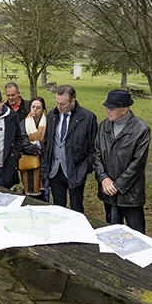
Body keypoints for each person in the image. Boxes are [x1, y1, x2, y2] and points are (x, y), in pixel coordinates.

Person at [93, 89, 151, 233]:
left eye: (111, 108)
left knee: (136, 234)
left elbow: (138, 163)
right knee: (111, 232)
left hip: (130, 195)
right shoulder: (104, 126)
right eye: (106, 107)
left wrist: (117, 186)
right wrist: (103, 178)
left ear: (124, 109)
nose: (107, 111)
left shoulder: (141, 129)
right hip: (107, 191)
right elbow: (96, 153)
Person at [41, 85, 98, 213]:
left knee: (76, 209)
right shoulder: (52, 115)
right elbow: (47, 142)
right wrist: (46, 167)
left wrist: (86, 168)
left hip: (76, 172)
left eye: (63, 104)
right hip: (55, 172)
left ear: (73, 101)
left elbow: (93, 148)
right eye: (57, 103)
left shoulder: (88, 118)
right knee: (58, 209)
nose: (59, 107)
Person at [19, 96, 47, 199]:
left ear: (43, 109)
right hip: (29, 162)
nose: (35, 110)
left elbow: (49, 141)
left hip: (44, 162)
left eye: (38, 108)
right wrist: (37, 147)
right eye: (33, 107)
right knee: (29, 193)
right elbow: (22, 141)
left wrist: (39, 145)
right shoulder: (24, 123)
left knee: (44, 193)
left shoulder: (48, 123)